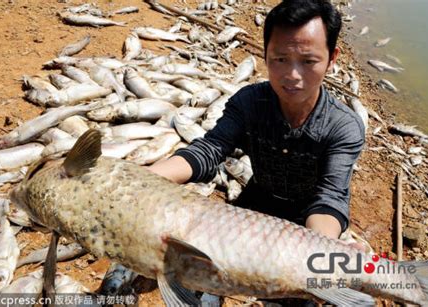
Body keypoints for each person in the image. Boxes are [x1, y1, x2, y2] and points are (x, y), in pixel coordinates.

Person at [149, 0, 365, 304]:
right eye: (279, 59)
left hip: (310, 223)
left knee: (299, 294)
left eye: (308, 61)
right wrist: (144, 178)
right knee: (207, 278)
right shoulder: (249, 102)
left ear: (332, 59)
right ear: (264, 55)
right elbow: (210, 150)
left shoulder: (343, 127)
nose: (292, 74)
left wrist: (317, 249)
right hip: (253, 210)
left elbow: (330, 198)